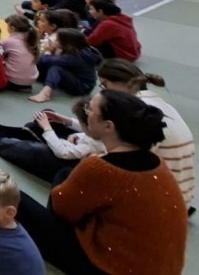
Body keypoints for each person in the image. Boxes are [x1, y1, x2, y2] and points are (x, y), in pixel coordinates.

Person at [16, 90, 187, 275]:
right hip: (158, 266)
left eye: (90, 110)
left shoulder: (100, 168)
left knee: (13, 196)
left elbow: (62, 208)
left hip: (110, 268)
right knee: (65, 174)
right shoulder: (158, 164)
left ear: (108, 127)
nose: (86, 112)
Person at [98, 59, 194, 211]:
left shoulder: (137, 112)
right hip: (181, 194)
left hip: (164, 203)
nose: (103, 92)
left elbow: (122, 163)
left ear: (121, 83)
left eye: (104, 86)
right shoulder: (157, 102)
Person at [0, 97, 105, 183]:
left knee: (35, 148)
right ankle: (4, 130)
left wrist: (47, 128)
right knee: (46, 116)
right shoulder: (100, 130)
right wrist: (65, 120)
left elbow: (63, 152)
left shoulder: (94, 141)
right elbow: (88, 133)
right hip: (74, 148)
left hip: (68, 161)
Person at [30, 28, 101, 103]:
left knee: (56, 68)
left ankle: (45, 93)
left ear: (66, 43)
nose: (55, 41)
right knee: (45, 66)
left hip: (83, 86)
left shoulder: (75, 56)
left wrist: (48, 51)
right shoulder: (77, 49)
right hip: (73, 75)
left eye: (57, 40)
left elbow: (47, 60)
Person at [1, 14, 40, 90]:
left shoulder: (9, 41)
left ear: (12, 28)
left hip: (14, 81)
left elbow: (0, 55)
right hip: (31, 80)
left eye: (8, 26)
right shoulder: (31, 39)